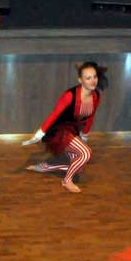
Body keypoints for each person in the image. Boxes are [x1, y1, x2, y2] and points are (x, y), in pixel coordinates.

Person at [22, 62, 106, 193]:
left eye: (94, 77)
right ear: (80, 80)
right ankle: (67, 181)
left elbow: (90, 117)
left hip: (73, 130)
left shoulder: (96, 96)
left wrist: (84, 136)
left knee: (78, 167)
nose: (93, 81)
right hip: (59, 131)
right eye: (88, 78)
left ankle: (45, 167)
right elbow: (54, 114)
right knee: (86, 153)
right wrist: (39, 133)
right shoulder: (70, 95)